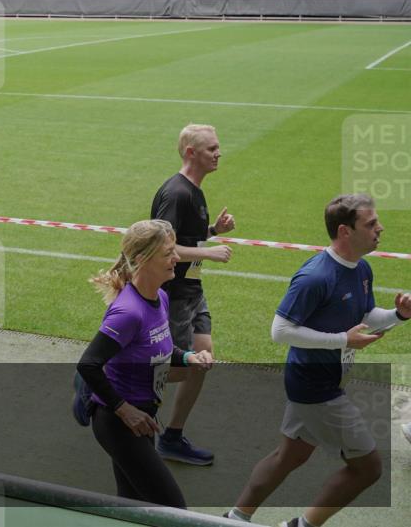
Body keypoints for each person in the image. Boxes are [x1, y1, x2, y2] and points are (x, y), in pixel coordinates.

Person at [225, 194, 409, 527]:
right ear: (345, 231)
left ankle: (235, 517)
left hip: (320, 382)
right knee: (368, 467)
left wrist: (399, 315)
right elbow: (280, 331)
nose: (380, 228)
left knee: (289, 456)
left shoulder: (361, 268)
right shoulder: (315, 277)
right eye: (371, 224)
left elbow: (366, 314)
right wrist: (343, 341)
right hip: (317, 389)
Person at [77, 219, 214, 508]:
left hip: (143, 419)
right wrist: (125, 410)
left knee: (133, 505)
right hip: (119, 422)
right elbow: (88, 364)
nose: (176, 258)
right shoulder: (128, 313)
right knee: (174, 510)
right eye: (168, 253)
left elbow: (159, 345)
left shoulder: (160, 297)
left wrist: (189, 357)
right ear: (142, 259)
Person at [149, 123, 234, 465]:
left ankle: (172, 436)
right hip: (172, 293)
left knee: (202, 361)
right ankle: (103, 382)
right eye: (212, 148)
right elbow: (161, 247)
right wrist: (208, 252)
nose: (218, 153)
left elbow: (184, 238)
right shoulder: (177, 193)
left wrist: (213, 231)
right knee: (179, 368)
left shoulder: (195, 191)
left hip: (192, 289)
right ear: (190, 153)